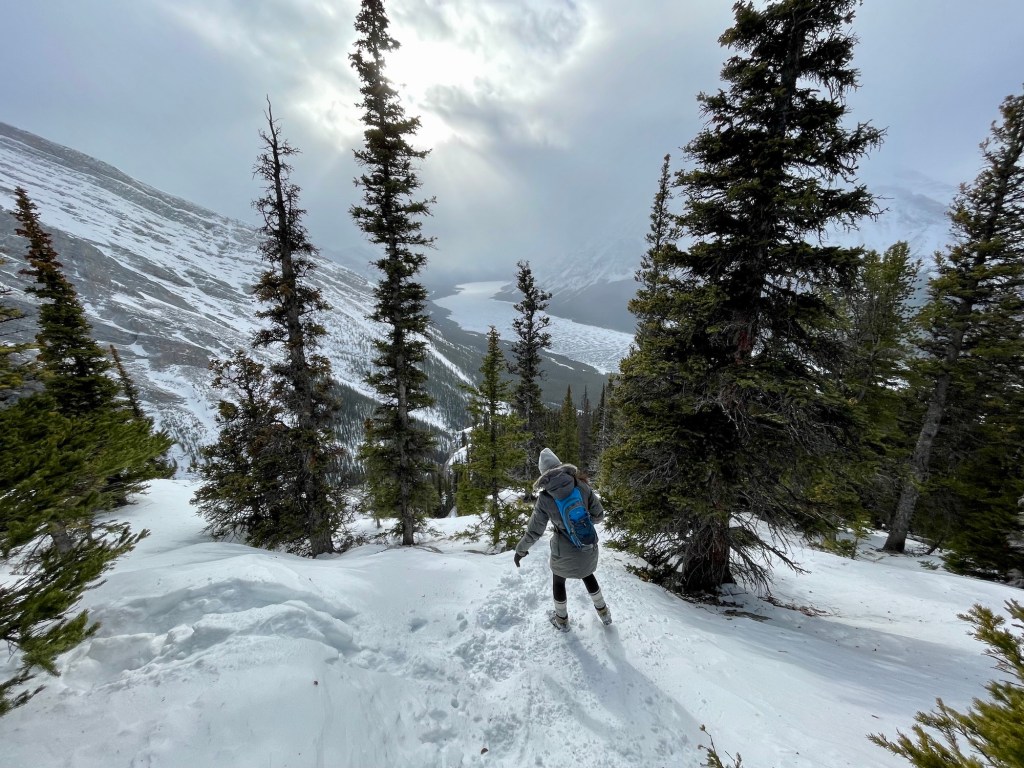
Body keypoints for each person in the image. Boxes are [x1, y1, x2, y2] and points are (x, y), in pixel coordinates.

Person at [513, 447, 612, 630]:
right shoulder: (580, 485)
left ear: (543, 474)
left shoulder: (545, 498)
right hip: (587, 545)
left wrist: (520, 550)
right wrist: (582, 523)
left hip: (563, 551)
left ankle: (562, 621)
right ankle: (604, 613)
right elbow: (599, 515)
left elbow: (534, 532)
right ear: (560, 465)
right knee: (587, 574)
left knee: (558, 580)